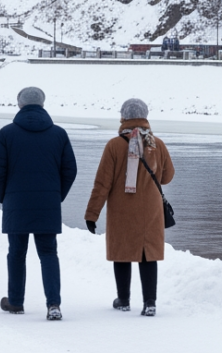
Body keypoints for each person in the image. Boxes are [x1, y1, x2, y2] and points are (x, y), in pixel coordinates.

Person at [0, 87, 78, 320]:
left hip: (16, 202)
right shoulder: (58, 134)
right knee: (48, 253)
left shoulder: (7, 133)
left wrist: (4, 196)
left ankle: (16, 302)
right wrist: (56, 195)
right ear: (43, 104)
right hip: (47, 203)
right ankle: (54, 305)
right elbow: (70, 170)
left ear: (19, 104)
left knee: (16, 253)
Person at [85, 98, 175, 317]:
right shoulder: (157, 144)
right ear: (145, 116)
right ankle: (150, 302)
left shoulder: (114, 146)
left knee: (122, 251)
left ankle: (123, 299)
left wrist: (92, 214)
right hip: (151, 210)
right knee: (148, 254)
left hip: (122, 208)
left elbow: (102, 183)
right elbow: (167, 177)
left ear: (123, 117)